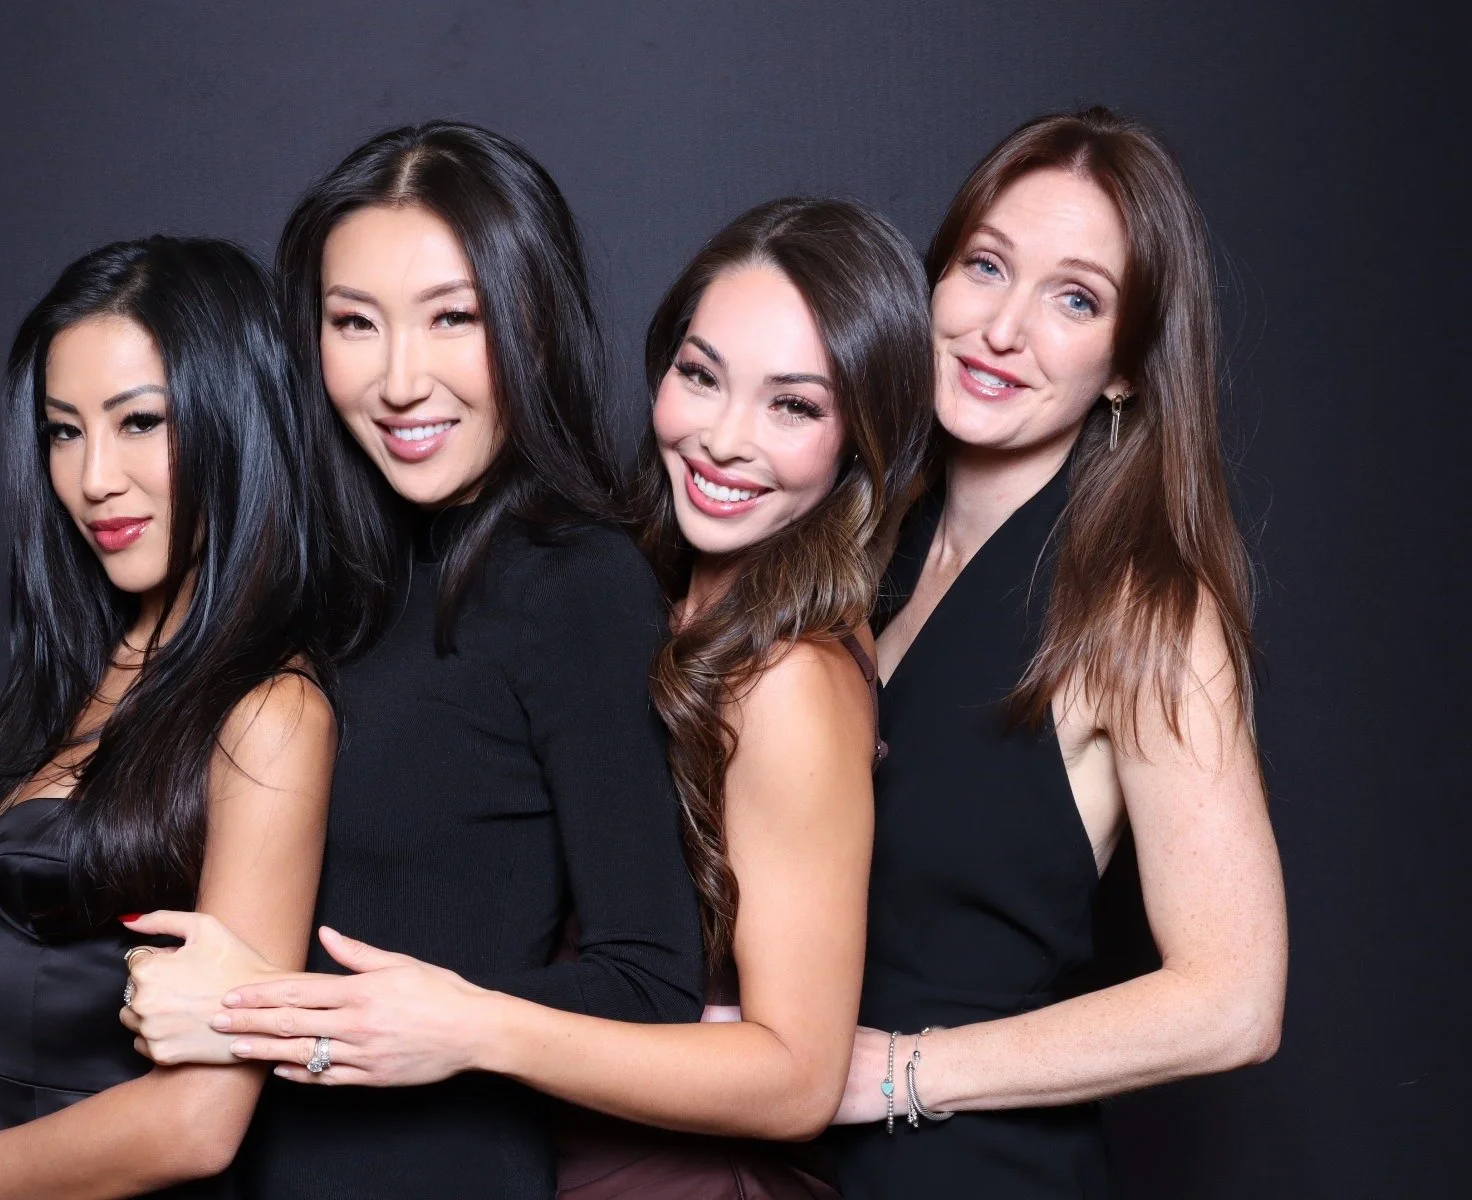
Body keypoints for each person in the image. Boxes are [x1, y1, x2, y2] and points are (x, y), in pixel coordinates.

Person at [130, 196, 934, 1199]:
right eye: (700, 376)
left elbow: (796, 1079)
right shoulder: (640, 587)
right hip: (550, 1148)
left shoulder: (791, 677)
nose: (726, 439)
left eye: (795, 406)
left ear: (865, 440)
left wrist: (424, 1020)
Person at [123, 122, 705, 1199]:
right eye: (355, 323)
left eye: (454, 318)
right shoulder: (320, 579)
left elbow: (654, 981)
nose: (399, 380)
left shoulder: (574, 582)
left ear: (533, 322)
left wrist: (287, 1014)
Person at [826, 107, 1288, 1198]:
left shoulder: (1140, 606)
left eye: (1073, 298)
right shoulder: (859, 548)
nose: (1002, 327)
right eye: (986, 266)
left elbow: (1234, 999)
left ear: (1125, 367)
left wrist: (903, 1071)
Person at [0, 236, 338, 1200]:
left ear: (231, 423)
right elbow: (46, 1006)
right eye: (64, 431)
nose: (93, 478)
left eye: (139, 422)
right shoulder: (88, 667)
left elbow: (201, 1120)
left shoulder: (270, 712)